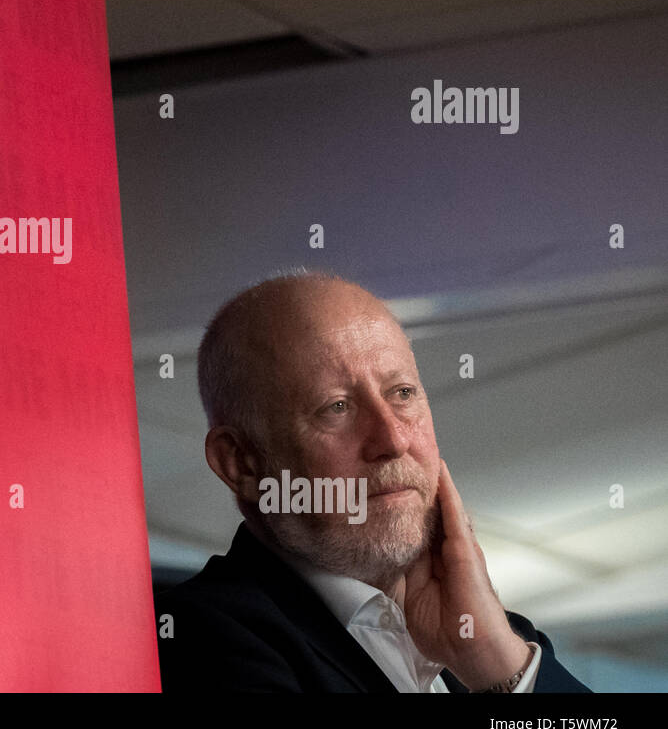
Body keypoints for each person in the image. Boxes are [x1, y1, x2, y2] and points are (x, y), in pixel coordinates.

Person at [156, 271, 590, 692]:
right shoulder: (194, 639)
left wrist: (495, 665)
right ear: (241, 464)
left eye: (402, 393)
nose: (394, 439)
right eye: (337, 407)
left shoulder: (505, 640)